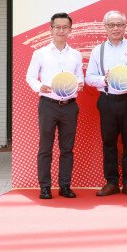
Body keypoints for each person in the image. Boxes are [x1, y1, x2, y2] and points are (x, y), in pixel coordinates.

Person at [85, 10, 127, 196]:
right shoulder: (97, 50)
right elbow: (89, 77)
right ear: (105, 27)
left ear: (125, 26)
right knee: (109, 142)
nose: (116, 28)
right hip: (107, 100)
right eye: (112, 25)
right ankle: (112, 182)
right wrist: (104, 81)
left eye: (119, 24)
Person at [25, 12, 85, 200]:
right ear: (51, 29)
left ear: (70, 30)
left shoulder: (76, 54)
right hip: (48, 104)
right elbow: (30, 76)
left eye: (65, 27)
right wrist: (38, 86)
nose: (61, 30)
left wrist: (80, 84)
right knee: (45, 148)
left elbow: (80, 78)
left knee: (67, 149)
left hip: (69, 106)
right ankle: (44, 187)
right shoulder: (40, 53)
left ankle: (65, 186)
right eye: (57, 27)